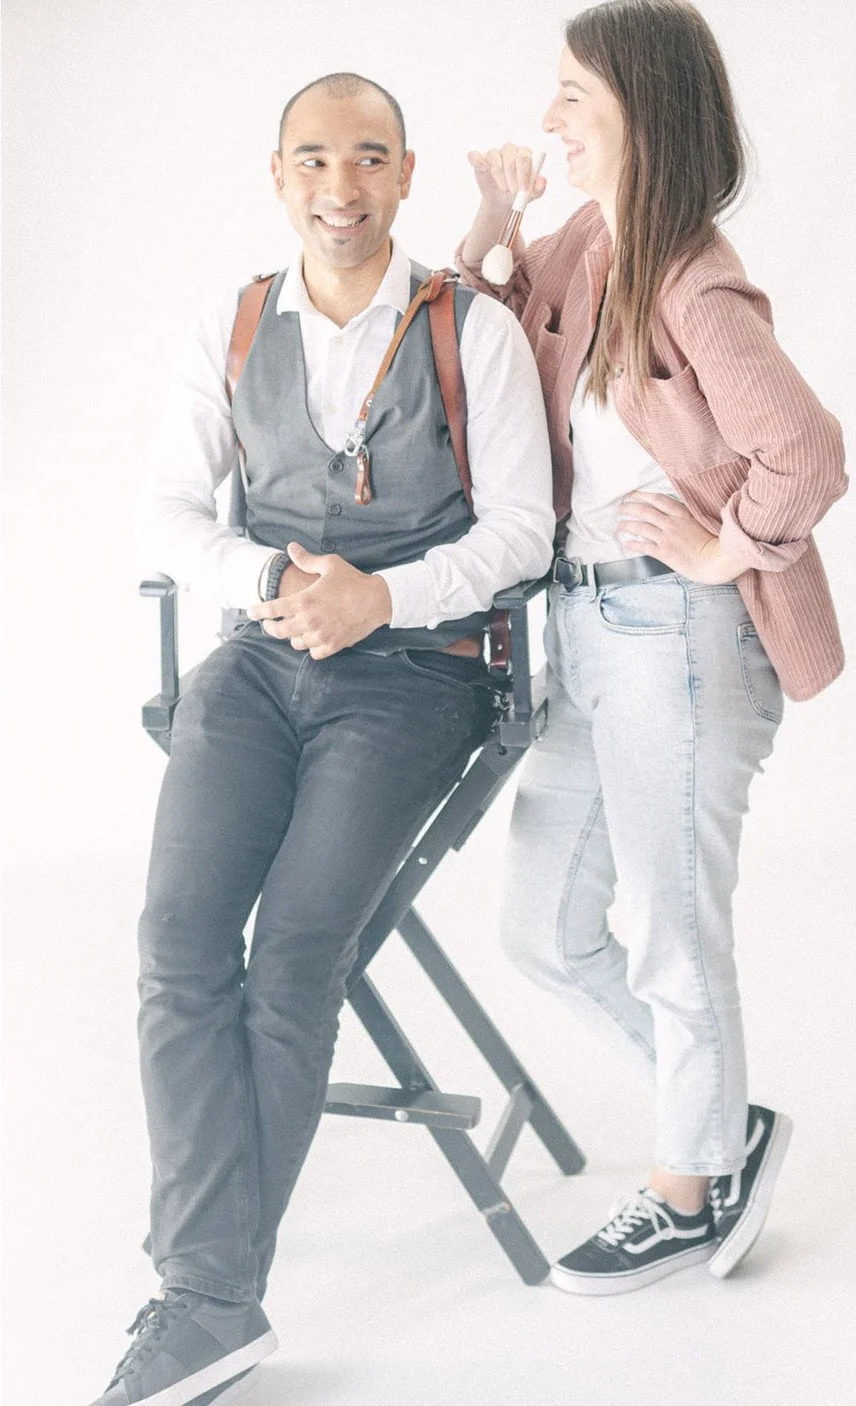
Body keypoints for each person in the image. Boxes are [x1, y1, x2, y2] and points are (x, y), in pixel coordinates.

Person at [100, 74, 554, 1405]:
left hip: (418, 673)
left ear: (406, 175)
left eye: (367, 159)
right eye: (314, 159)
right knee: (178, 945)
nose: (340, 187)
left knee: (295, 950)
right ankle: (212, 1290)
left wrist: (383, 597)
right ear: (279, 174)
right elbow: (163, 513)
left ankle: (204, 1297)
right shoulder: (232, 321)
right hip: (258, 659)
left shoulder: (475, 331)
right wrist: (268, 584)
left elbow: (521, 527)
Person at [461, 0, 842, 1297]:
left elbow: (809, 449)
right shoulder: (581, 244)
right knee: (542, 929)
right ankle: (719, 1124)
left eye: (574, 94)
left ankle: (691, 1186)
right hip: (587, 627)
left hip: (676, 636)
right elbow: (486, 364)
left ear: (639, 109)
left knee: (674, 928)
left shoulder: (686, 273)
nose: (553, 116)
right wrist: (485, 237)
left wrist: (733, 550)